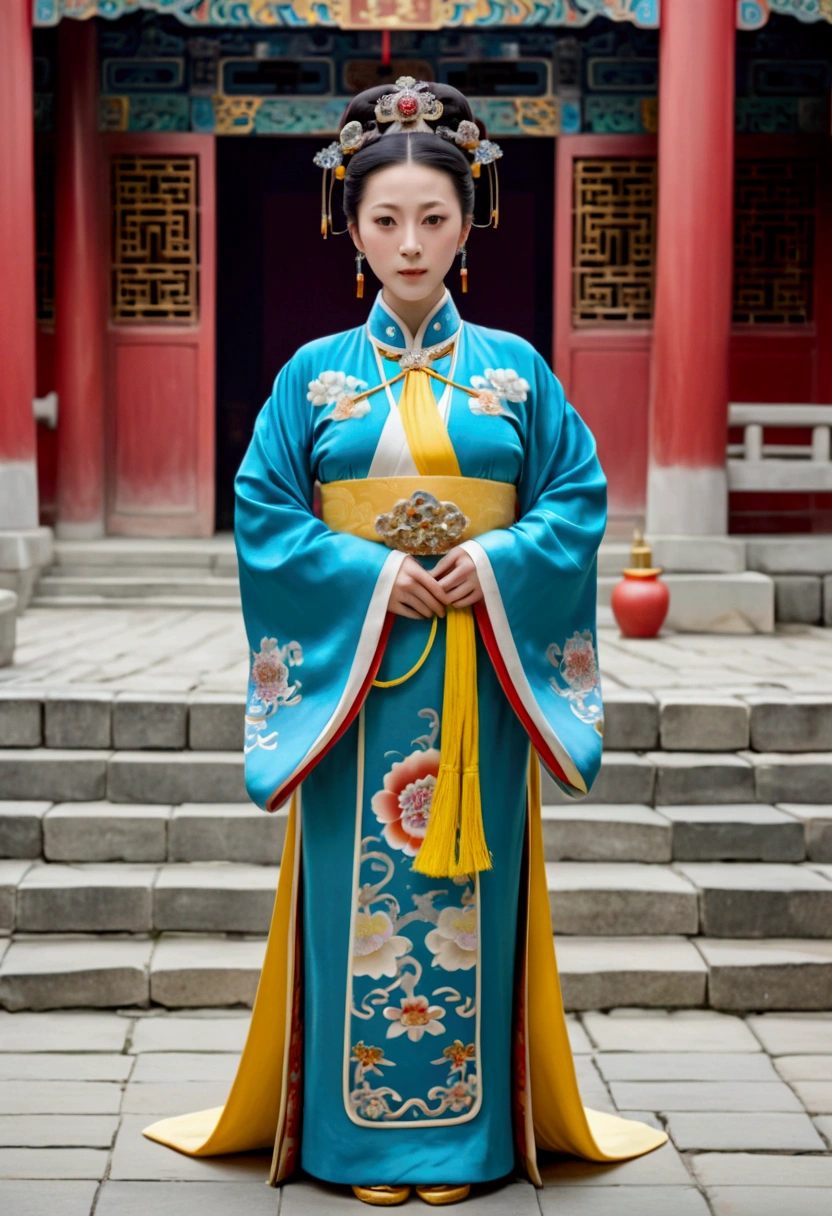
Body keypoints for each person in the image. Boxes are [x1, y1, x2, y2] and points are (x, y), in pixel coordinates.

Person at [143, 78, 668, 1207]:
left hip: (484, 667)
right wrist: (376, 574)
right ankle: (359, 1145)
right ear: (351, 225)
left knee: (467, 898)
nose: (410, 242)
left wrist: (494, 562)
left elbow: (574, 497)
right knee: (360, 903)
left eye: (434, 217)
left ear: (469, 221)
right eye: (386, 219)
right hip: (362, 678)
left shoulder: (517, 371)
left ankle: (468, 1148)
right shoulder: (309, 376)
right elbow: (269, 512)